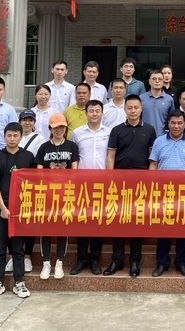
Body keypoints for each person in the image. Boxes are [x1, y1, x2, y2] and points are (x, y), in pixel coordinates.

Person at [104, 95, 157, 277]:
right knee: (119, 221)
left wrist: (149, 180)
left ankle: (135, 261)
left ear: (141, 109)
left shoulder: (149, 130)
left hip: (141, 184)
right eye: (130, 108)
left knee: (137, 222)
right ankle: (116, 260)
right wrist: (110, 179)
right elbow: (111, 156)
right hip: (119, 183)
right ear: (125, 109)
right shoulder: (117, 130)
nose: (133, 111)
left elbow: (152, 158)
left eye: (136, 107)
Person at [0, 122, 35, 300]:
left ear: (21, 137)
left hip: (20, 209)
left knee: (18, 248)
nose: (12, 139)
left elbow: (34, 183)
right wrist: (3, 208)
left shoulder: (28, 157)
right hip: (1, 208)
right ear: (4, 136)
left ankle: (19, 282)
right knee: (0, 247)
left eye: (15, 135)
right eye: (9, 135)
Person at [149, 111, 185, 277]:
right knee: (163, 229)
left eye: (179, 123)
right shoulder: (159, 141)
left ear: (184, 124)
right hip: (164, 192)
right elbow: (153, 165)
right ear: (168, 124)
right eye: (173, 123)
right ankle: (162, 263)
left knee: (183, 229)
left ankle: (181, 263)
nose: (176, 126)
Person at [35, 113, 79, 280]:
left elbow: (74, 170)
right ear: (50, 129)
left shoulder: (72, 146)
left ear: (66, 128)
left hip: (65, 193)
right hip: (47, 193)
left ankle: (59, 262)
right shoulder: (44, 147)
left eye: (62, 127)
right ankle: (46, 262)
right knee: (45, 227)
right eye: (55, 127)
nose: (59, 130)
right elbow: (39, 172)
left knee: (62, 227)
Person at [70, 99, 110, 276]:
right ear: (86, 113)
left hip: (102, 183)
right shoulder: (77, 133)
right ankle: (81, 259)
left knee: (97, 222)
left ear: (102, 113)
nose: (94, 114)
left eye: (97, 111)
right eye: (91, 111)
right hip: (82, 183)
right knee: (82, 221)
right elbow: (74, 157)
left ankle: (94, 259)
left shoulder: (109, 132)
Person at [4, 110, 46, 274]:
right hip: (12, 185)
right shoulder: (14, 137)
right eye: (24, 120)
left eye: (30, 120)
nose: (27, 123)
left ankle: (27, 256)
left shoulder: (40, 139)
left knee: (29, 222)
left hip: (30, 185)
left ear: (34, 122)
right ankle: (13, 256)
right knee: (12, 222)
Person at [139, 70, 174, 137]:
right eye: (154, 79)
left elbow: (171, 119)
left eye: (160, 79)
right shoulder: (141, 98)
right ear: (149, 81)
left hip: (162, 137)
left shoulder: (169, 99)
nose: (157, 81)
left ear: (163, 81)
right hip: (144, 136)